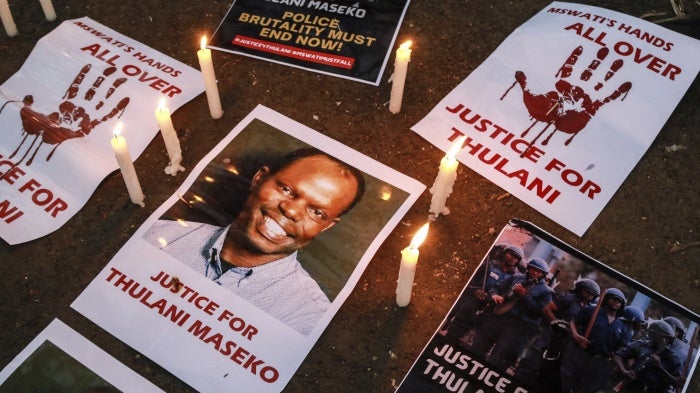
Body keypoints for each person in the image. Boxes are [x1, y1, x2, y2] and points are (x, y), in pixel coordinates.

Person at [143, 148, 365, 336]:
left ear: (326, 227)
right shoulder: (158, 236)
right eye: (286, 190)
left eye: (317, 212)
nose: (291, 210)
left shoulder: (309, 318)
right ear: (259, 179)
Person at [470, 257, 554, 374]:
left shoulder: (546, 291)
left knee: (499, 358)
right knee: (479, 345)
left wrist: (524, 296)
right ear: (528, 268)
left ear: (543, 274)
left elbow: (539, 311)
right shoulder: (516, 277)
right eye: (533, 269)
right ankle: (470, 369)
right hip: (499, 318)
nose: (535, 273)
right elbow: (497, 287)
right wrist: (495, 295)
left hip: (518, 327)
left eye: (539, 271)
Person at [514, 278, 600, 390]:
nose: (589, 296)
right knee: (531, 364)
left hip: (563, 344)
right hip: (549, 336)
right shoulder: (568, 298)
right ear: (580, 289)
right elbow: (547, 309)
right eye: (587, 292)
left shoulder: (587, 309)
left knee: (547, 374)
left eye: (592, 295)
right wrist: (556, 323)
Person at [559, 287, 630, 393]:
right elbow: (573, 322)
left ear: (622, 305)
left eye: (618, 301)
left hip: (599, 363)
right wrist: (576, 336)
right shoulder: (592, 310)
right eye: (613, 298)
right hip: (581, 353)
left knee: (585, 389)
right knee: (566, 382)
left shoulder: (622, 326)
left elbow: (621, 349)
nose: (615, 302)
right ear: (606, 299)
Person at [611, 320, 683, 393]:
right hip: (632, 387)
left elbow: (678, 384)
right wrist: (624, 371)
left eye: (667, 339)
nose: (664, 341)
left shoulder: (673, 358)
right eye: (662, 337)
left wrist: (660, 367)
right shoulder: (642, 344)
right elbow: (618, 355)